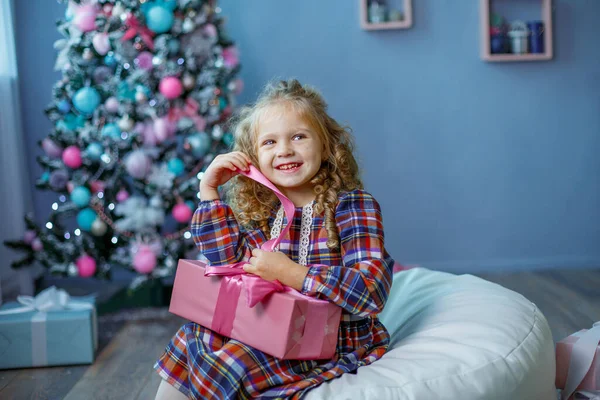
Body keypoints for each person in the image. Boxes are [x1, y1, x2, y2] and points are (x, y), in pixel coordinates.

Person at [154, 79, 395, 399]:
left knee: (234, 360)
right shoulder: (262, 209)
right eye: (269, 142)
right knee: (194, 338)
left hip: (328, 336)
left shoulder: (351, 206)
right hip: (266, 323)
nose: (284, 150)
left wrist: (293, 274)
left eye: (298, 136)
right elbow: (226, 262)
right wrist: (209, 192)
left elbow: (372, 290)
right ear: (252, 157)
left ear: (326, 146)